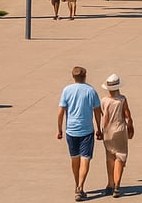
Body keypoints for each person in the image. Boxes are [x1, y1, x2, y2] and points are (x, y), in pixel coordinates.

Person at [57, 65, 102, 201]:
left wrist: (59, 129)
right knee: (85, 158)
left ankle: (77, 184)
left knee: (74, 158)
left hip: (71, 130)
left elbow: (61, 112)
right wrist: (99, 128)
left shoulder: (66, 90)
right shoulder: (91, 91)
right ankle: (80, 187)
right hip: (87, 130)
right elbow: (97, 111)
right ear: (85, 76)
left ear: (73, 77)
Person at [99, 74, 134, 198]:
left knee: (110, 157)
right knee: (120, 156)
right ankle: (117, 185)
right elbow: (127, 115)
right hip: (119, 129)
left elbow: (103, 115)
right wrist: (131, 128)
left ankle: (110, 184)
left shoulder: (104, 100)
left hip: (107, 131)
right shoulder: (122, 99)